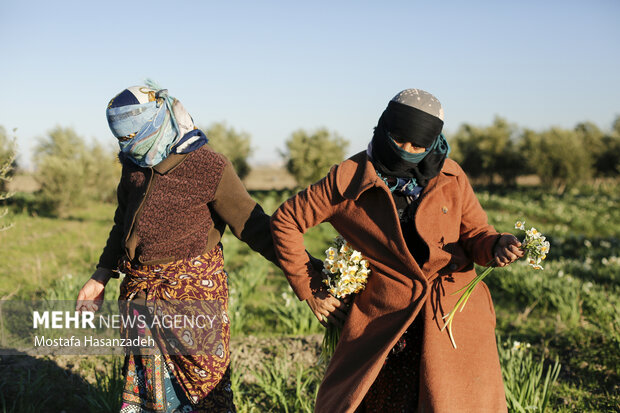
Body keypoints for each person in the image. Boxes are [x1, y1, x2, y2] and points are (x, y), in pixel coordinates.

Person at [270, 89, 524, 413]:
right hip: (385, 321)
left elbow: (476, 234)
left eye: (418, 145)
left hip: (450, 319)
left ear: (433, 142)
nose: (406, 151)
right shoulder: (349, 178)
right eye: (398, 138)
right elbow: (286, 220)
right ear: (383, 126)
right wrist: (312, 287)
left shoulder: (451, 177)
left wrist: (497, 245)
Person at [76, 81, 280, 413]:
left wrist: (309, 277)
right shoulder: (134, 164)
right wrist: (101, 274)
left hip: (193, 309)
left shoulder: (209, 167)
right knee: (149, 399)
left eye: (132, 137)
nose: (127, 146)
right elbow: (122, 224)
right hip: (142, 303)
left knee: (203, 397)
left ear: (159, 121)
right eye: (121, 140)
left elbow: (255, 227)